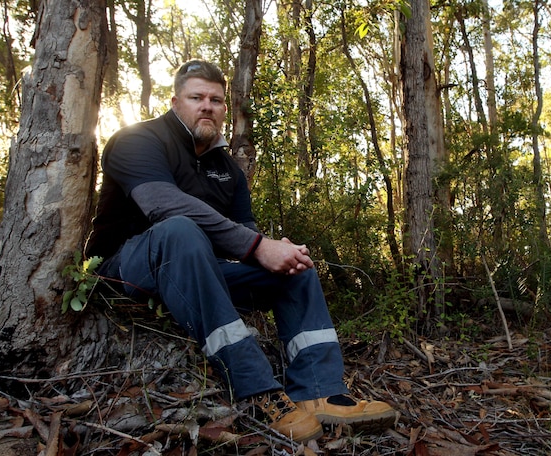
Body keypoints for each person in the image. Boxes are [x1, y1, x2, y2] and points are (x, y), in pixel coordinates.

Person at [85, 59, 395, 443]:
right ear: (175, 102)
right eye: (196, 97)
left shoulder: (226, 168)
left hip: (201, 276)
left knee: (296, 270)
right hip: (126, 269)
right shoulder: (138, 139)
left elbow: (244, 233)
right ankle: (260, 391)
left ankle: (321, 392)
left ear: (224, 109)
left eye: (216, 100)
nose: (206, 106)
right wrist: (256, 246)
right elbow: (163, 205)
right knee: (179, 229)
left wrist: (274, 249)